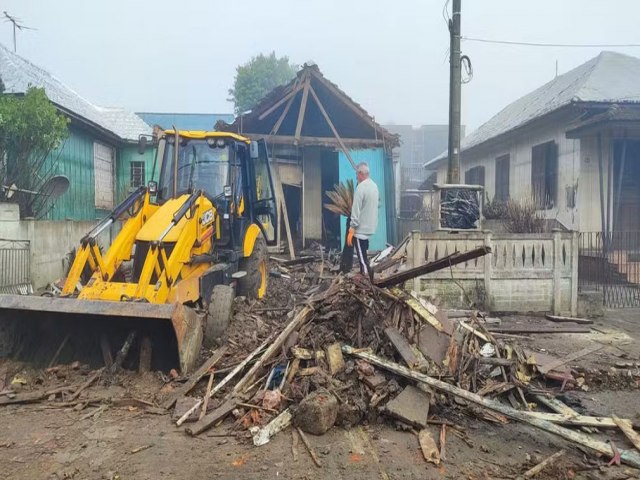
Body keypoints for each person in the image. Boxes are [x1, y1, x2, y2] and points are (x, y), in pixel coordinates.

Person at [347, 162, 379, 280]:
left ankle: (365, 275)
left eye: (356, 174)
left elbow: (356, 209)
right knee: (364, 252)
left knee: (361, 255)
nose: (356, 177)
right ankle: (366, 272)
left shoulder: (361, 188)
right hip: (371, 226)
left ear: (361, 174)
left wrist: (352, 227)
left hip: (361, 229)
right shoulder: (374, 186)